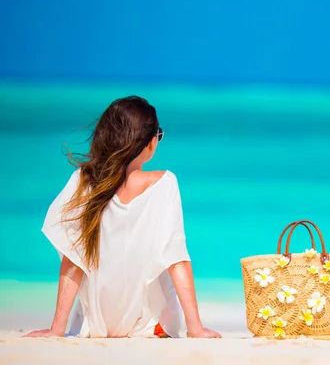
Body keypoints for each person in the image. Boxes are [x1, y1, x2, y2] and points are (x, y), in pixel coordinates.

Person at [24, 96, 221, 339]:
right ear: (150, 142)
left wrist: (56, 330)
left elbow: (73, 258)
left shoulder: (83, 181)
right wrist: (195, 328)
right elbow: (176, 257)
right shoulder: (164, 183)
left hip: (93, 326)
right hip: (149, 327)